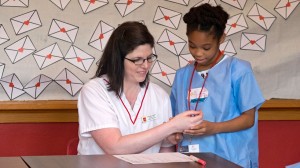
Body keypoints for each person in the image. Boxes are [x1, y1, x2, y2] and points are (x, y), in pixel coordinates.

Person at [77, 21, 203, 155]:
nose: (145, 65)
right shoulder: (94, 91)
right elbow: (114, 147)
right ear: (118, 59)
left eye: (149, 58)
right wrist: (172, 126)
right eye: (137, 59)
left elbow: (166, 152)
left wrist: (169, 137)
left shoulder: (159, 95)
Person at [170, 4, 265, 168]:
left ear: (221, 39)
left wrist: (214, 128)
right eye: (192, 45)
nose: (198, 53)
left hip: (231, 158)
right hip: (190, 159)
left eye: (206, 47)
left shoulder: (238, 70)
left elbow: (248, 119)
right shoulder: (182, 75)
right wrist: (175, 132)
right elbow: (174, 118)